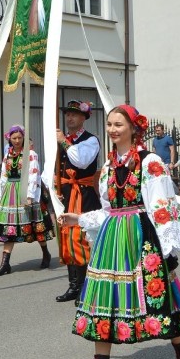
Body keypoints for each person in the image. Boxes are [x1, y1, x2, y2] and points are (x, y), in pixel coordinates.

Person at [59, 105, 180, 359]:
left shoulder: (150, 162)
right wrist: (79, 219)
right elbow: (109, 211)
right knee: (104, 305)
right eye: (109, 124)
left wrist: (167, 247)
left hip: (141, 238)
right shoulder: (108, 167)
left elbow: (162, 205)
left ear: (134, 128)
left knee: (157, 302)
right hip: (112, 241)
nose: (112, 129)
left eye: (118, 124)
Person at [0, 125, 54, 276]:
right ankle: (5, 263)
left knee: (34, 225)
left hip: (25, 191)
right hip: (10, 194)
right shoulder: (8, 155)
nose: (17, 140)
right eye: (14, 138)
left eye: (20, 137)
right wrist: (2, 197)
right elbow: (4, 176)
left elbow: (34, 174)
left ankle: (46, 253)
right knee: (9, 227)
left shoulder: (30, 154)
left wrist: (30, 196)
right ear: (9, 139)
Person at [55, 100, 101, 302]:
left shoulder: (91, 140)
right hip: (66, 193)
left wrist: (64, 142)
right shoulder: (62, 139)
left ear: (83, 118)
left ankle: (87, 287)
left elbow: (80, 160)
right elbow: (54, 166)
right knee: (66, 237)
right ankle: (74, 286)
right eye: (67, 114)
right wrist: (54, 186)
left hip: (84, 194)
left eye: (74, 114)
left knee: (83, 239)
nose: (69, 118)